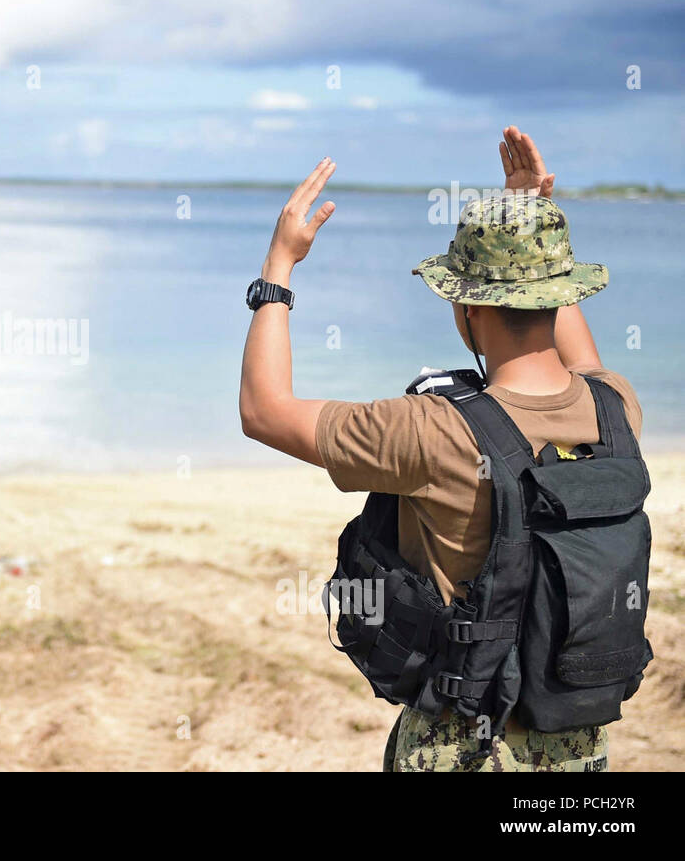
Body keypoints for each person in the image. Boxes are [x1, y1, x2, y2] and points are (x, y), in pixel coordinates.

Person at [238, 127, 647, 772]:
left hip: (462, 749)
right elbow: (583, 359)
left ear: (467, 310)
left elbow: (264, 411)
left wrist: (278, 268)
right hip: (577, 741)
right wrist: (526, 219)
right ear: (561, 292)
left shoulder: (434, 432)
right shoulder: (616, 409)